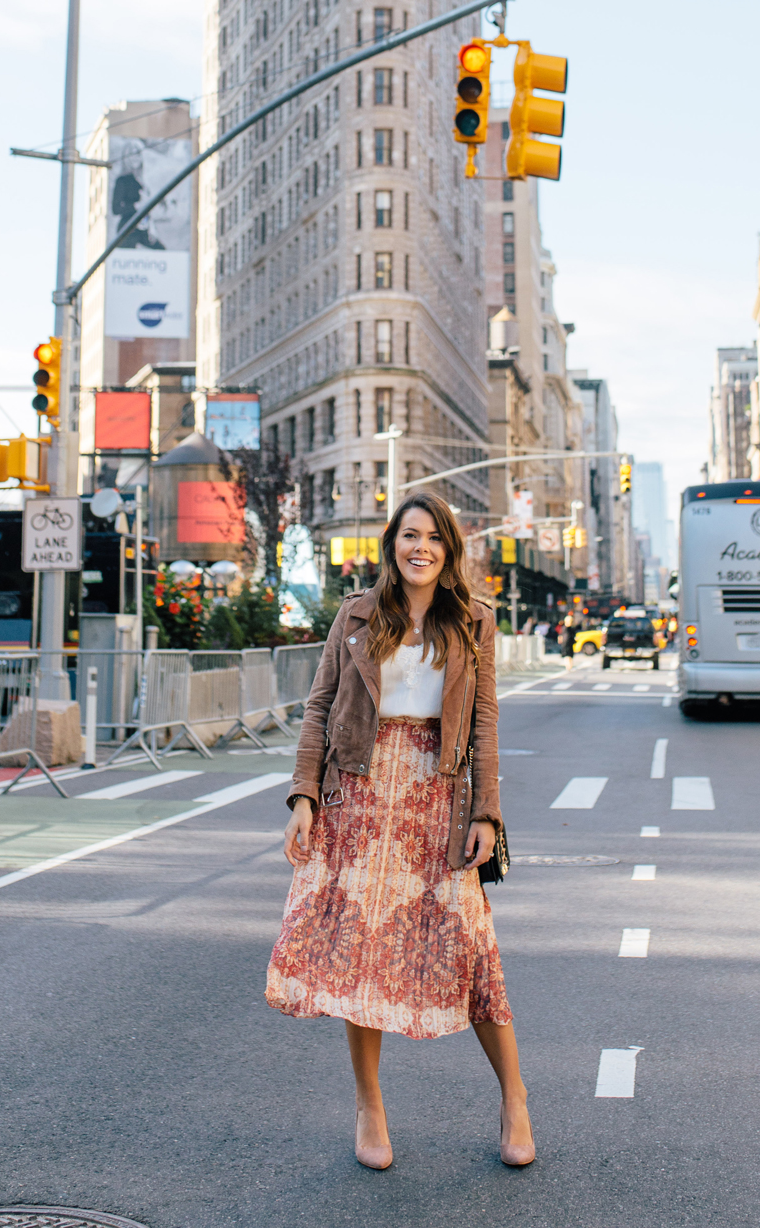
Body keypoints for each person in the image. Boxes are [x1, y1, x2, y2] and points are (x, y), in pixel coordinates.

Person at [267, 491, 534, 1171]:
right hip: (355, 796)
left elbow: (483, 724)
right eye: (409, 536)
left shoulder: (473, 621)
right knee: (360, 949)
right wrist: (303, 796)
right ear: (392, 545)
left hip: (435, 800)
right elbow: (319, 706)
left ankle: (514, 1100)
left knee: (472, 950)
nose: (419, 548)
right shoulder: (357, 614)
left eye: (433, 539)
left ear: (448, 551)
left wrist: (485, 813)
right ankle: (369, 1106)